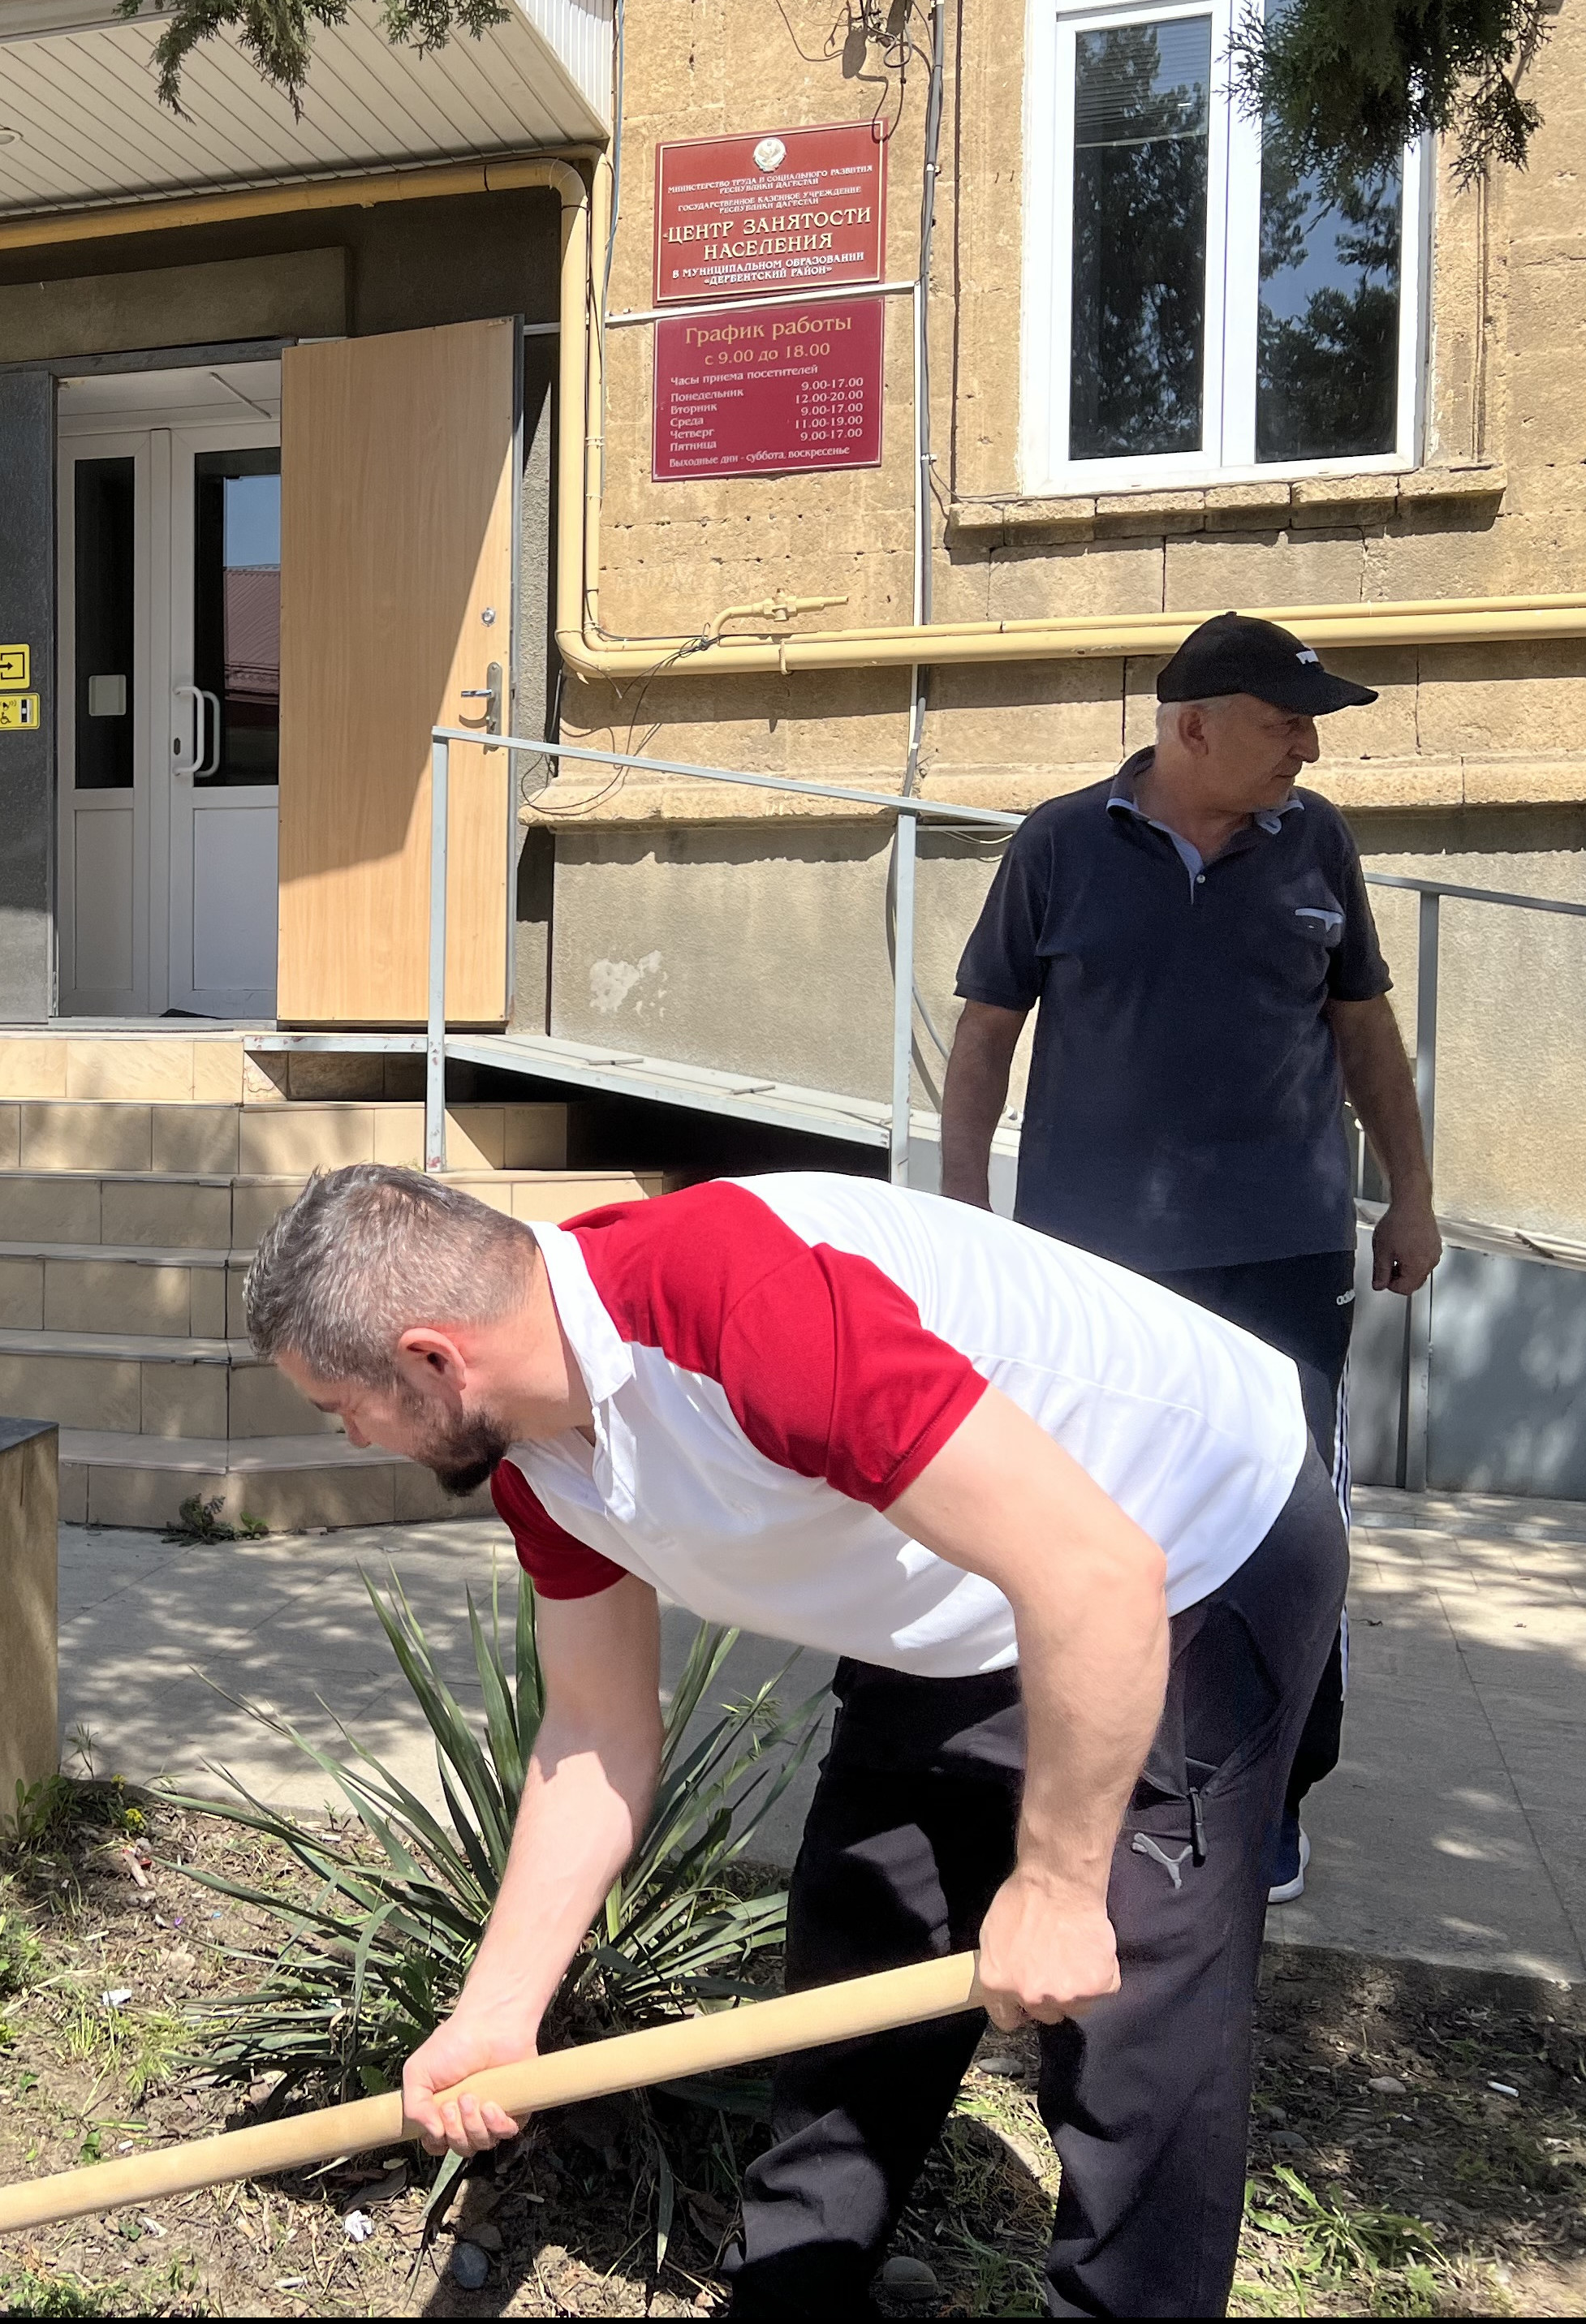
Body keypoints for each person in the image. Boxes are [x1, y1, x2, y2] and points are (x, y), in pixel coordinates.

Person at [248, 1162, 1346, 2317]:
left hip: (1189, 1547)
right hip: (961, 1584)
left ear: (432, 1358)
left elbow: (1096, 1571)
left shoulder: (738, 1306)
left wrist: (1062, 1886)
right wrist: (497, 2010)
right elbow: (594, 1733)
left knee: (1129, 2032)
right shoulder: (537, 1457)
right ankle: (793, 2295)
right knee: (868, 1937)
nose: (355, 1437)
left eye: (341, 1408)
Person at [937, 609, 1439, 1907]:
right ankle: (1075, 1794)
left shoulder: (1317, 842)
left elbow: (1368, 1040)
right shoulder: (1057, 845)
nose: (1310, 749)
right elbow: (985, 1045)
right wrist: (960, 1223)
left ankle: (1268, 1799)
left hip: (1281, 1255)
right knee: (1084, 1524)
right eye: (1287, 722)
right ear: (1194, 724)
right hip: (1089, 1265)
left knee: (1286, 1530)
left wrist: (1413, 1198)